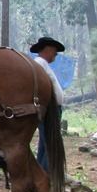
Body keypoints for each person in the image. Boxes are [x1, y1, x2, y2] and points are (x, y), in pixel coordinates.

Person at [30, 36, 65, 171]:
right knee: (50, 142)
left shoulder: (42, 64)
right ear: (48, 50)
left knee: (45, 144)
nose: (55, 55)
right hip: (50, 109)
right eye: (54, 51)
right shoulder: (40, 63)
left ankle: (41, 170)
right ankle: (46, 173)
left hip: (53, 108)